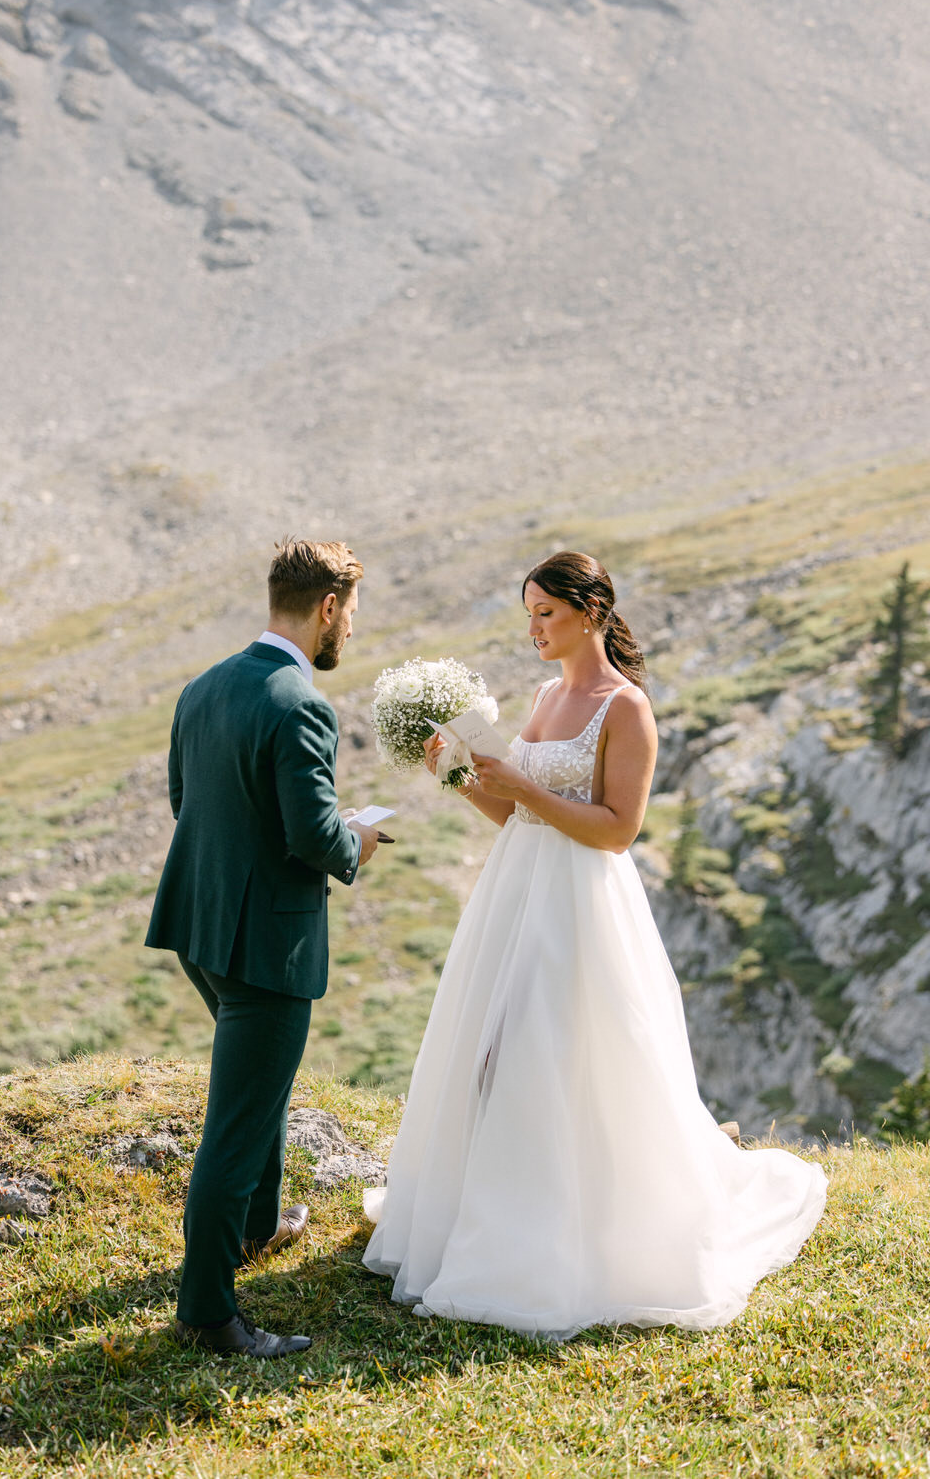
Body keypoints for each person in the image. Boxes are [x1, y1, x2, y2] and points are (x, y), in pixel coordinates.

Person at [363, 551, 826, 1338]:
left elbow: (618, 831)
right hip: (517, 893)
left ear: (592, 613)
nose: (535, 629)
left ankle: (586, 1227)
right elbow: (519, 816)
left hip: (582, 903)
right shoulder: (546, 695)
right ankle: (494, 1206)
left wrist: (522, 786)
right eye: (529, 616)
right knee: (497, 1052)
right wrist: (463, 778)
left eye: (545, 613)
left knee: (567, 1054)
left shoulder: (626, 709)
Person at [146, 538, 383, 1358]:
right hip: (265, 951)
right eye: (349, 615)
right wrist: (359, 843)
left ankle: (258, 1226)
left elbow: (188, 800)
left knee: (260, 1087)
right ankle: (209, 1314)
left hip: (199, 931)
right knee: (237, 1124)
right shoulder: (301, 704)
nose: (349, 630)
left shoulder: (204, 686)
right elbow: (314, 836)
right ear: (326, 608)